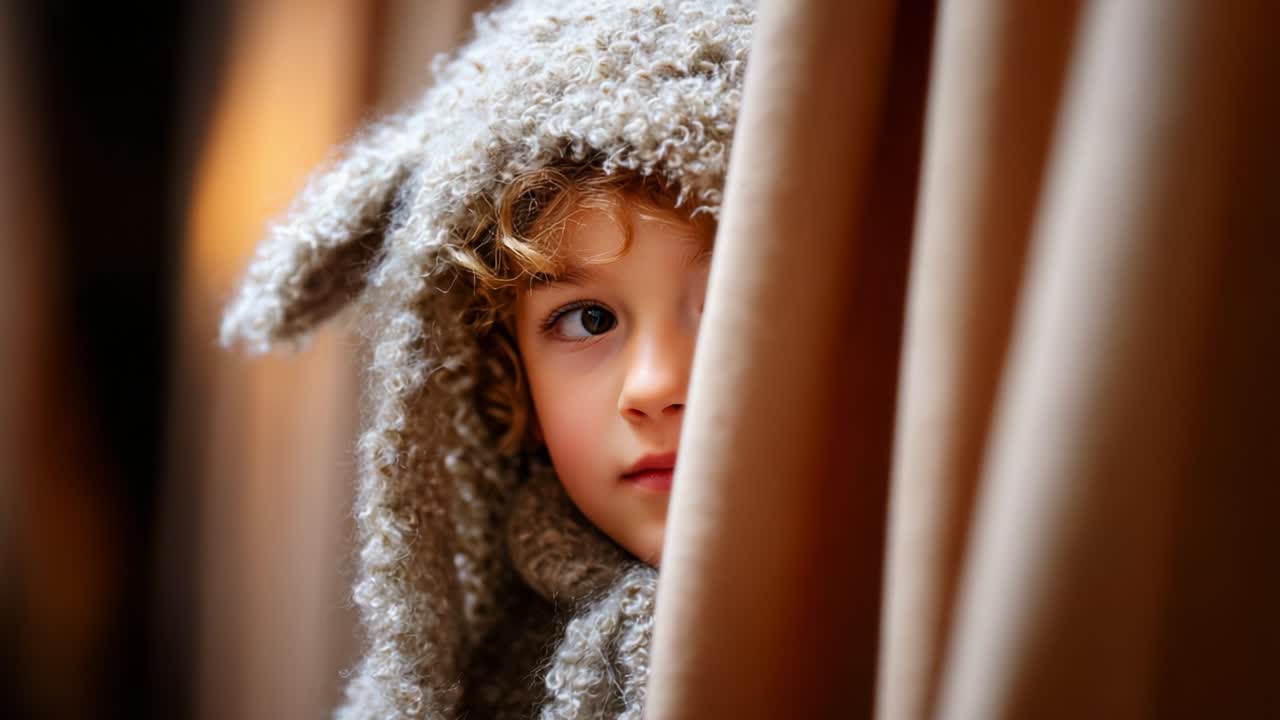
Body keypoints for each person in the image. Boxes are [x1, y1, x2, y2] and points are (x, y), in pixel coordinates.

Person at [221, 1, 753, 717]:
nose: (655, 386)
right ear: (510, 377)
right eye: (588, 319)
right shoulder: (485, 691)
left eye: (730, 305)